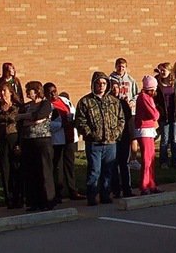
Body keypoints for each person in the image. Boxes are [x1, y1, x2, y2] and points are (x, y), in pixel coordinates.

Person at [74, 71, 125, 207]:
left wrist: (116, 133)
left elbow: (121, 119)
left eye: (104, 83)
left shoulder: (114, 101)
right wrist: (90, 134)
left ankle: (105, 195)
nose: (101, 86)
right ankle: (92, 196)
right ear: (93, 84)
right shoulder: (85, 102)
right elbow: (80, 121)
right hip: (94, 143)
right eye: (98, 83)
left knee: (108, 170)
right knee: (94, 171)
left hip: (111, 142)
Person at [17, 81, 55, 212]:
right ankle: (34, 202)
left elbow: (39, 116)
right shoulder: (27, 106)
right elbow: (20, 121)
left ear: (37, 91)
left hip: (42, 141)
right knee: (32, 173)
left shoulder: (45, 104)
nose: (27, 93)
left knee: (44, 171)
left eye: (29, 90)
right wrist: (28, 118)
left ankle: (48, 201)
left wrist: (26, 118)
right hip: (28, 141)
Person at [109, 57, 139, 195]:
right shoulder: (110, 78)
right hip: (113, 134)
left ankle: (127, 188)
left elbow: (136, 94)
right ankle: (115, 189)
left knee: (123, 161)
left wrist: (132, 102)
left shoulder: (130, 80)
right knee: (114, 162)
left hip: (127, 116)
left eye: (123, 66)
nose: (121, 68)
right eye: (119, 66)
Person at [46, 83, 81, 203]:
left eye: (54, 91)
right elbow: (47, 124)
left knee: (69, 165)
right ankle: (58, 193)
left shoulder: (65, 100)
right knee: (58, 167)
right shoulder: (47, 105)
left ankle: (72, 190)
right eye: (50, 93)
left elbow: (73, 112)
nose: (53, 94)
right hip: (58, 140)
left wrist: (73, 120)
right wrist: (61, 124)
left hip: (70, 137)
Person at [0, 82, 22, 209]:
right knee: (5, 169)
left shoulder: (18, 107)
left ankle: (19, 197)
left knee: (16, 168)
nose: (2, 94)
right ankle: (9, 198)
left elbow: (21, 125)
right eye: (0, 91)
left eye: (4, 91)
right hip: (1, 140)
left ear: (11, 92)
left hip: (14, 139)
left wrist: (20, 143)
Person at [135, 75, 161, 195]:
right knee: (146, 159)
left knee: (151, 158)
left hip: (149, 129)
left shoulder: (148, 98)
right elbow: (154, 114)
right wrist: (157, 114)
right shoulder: (143, 97)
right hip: (144, 129)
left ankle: (151, 184)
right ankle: (144, 185)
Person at [155, 62, 176, 168]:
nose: (161, 72)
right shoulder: (157, 84)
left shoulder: (175, 83)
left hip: (174, 115)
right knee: (164, 139)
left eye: (163, 70)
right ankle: (163, 161)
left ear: (169, 71)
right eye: (160, 70)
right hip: (164, 115)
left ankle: (175, 161)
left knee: (174, 139)